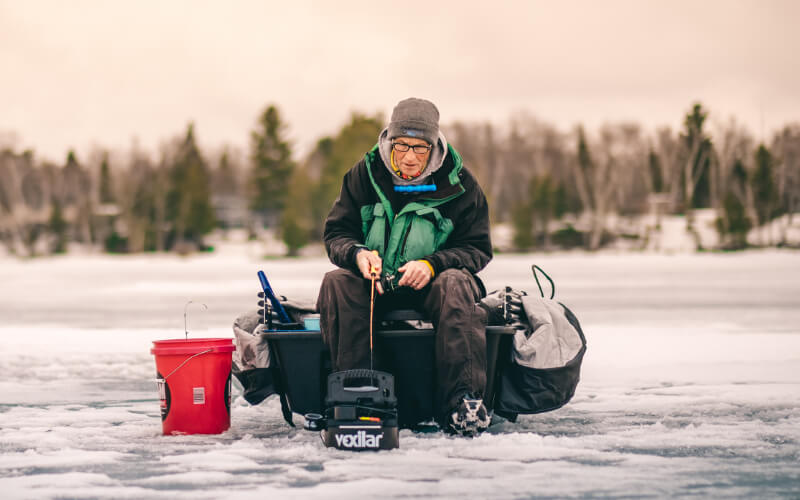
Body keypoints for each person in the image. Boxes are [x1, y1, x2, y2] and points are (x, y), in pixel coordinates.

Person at [317, 97, 494, 436]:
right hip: (376, 285)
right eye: (401, 146)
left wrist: (433, 264)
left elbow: (477, 249)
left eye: (420, 148)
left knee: (456, 283)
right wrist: (357, 255)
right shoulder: (362, 175)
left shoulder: (461, 185)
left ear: (435, 145)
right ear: (389, 140)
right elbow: (337, 233)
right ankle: (361, 397)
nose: (410, 157)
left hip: (435, 286)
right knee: (336, 282)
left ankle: (463, 404)